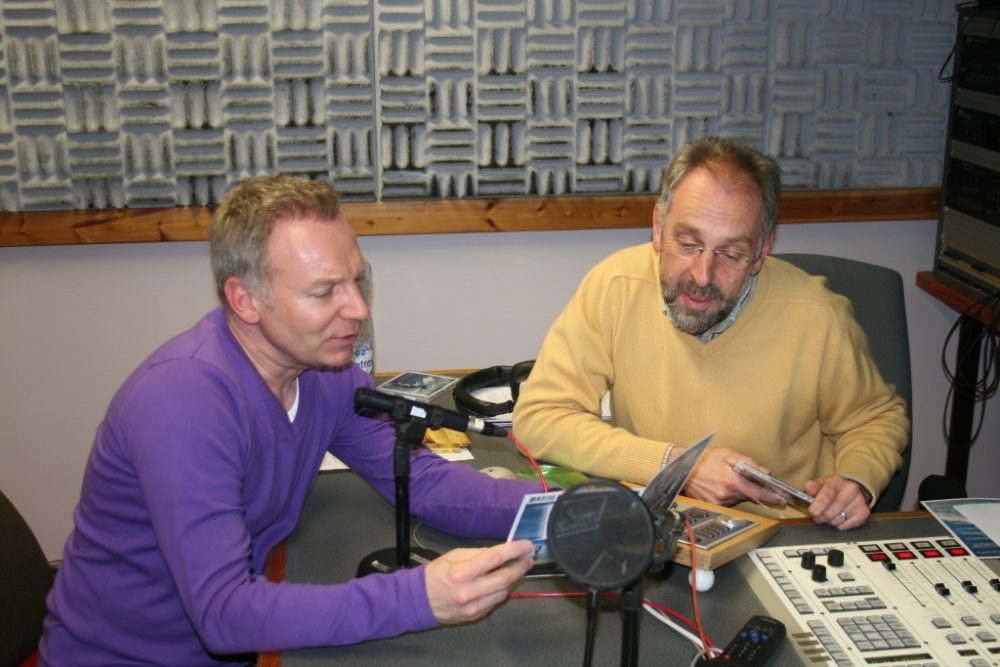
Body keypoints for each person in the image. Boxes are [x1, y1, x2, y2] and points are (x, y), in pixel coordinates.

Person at [40, 175, 541, 666]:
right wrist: (419, 598)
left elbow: (426, 482)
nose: (358, 309)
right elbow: (223, 615)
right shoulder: (182, 404)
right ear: (245, 301)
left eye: (357, 280)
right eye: (325, 292)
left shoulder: (326, 373)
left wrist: (568, 510)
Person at [512, 136, 909, 530]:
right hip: (658, 527)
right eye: (687, 243)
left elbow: (875, 419)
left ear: (762, 250)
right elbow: (539, 418)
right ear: (657, 226)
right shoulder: (614, 285)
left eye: (731, 254)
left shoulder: (818, 316)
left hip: (781, 535)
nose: (702, 276)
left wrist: (856, 478)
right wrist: (678, 466)